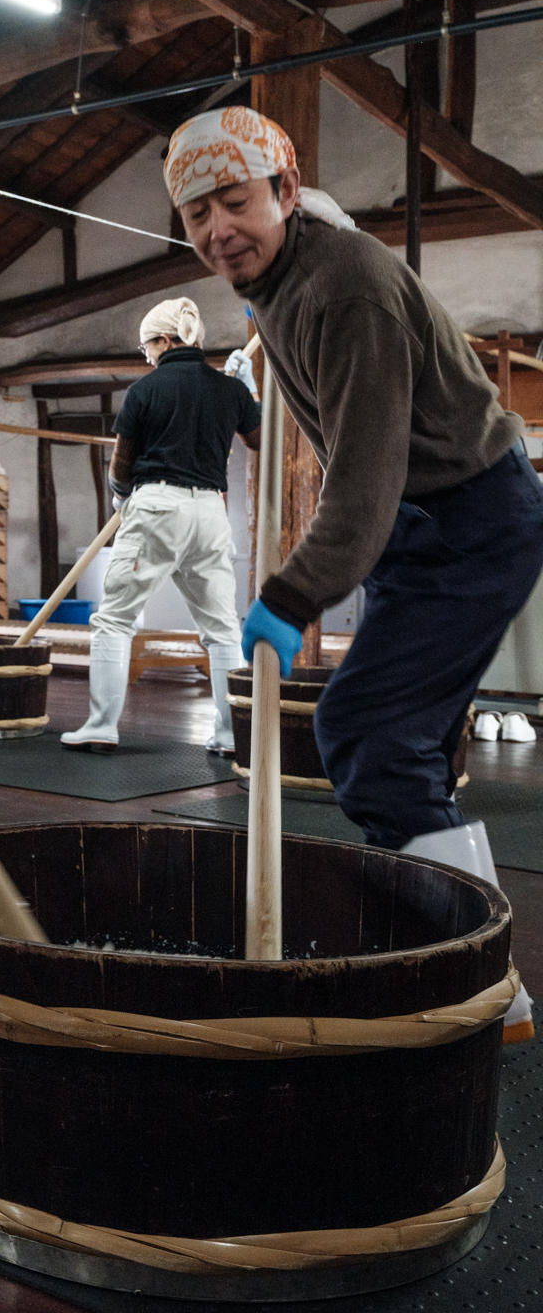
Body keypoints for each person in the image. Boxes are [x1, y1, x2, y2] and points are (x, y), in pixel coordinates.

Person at [167, 103, 541, 1042]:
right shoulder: (285, 277)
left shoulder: (346, 289)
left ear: (286, 190)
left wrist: (292, 594)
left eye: (236, 201)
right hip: (424, 524)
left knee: (367, 734)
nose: (218, 229)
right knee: (405, 744)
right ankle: (456, 953)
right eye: (197, 214)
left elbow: (364, 481)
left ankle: (482, 981)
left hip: (470, 518)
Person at [62, 297, 259, 753]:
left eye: (147, 345)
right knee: (222, 629)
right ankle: (230, 736)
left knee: (115, 619)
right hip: (210, 511)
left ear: (166, 341)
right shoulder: (229, 389)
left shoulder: (145, 390)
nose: (146, 354)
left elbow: (122, 460)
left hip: (156, 505)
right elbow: (259, 439)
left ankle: (101, 726)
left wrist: (120, 494)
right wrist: (249, 393)